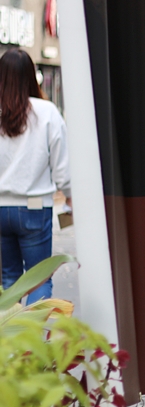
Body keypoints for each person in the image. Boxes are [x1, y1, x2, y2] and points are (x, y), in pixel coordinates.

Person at [0, 49, 72, 303]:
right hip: (34, 207)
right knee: (38, 279)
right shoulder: (47, 112)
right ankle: (32, 341)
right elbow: (62, 166)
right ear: (32, 76)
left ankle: (11, 341)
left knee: (8, 280)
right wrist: (70, 196)